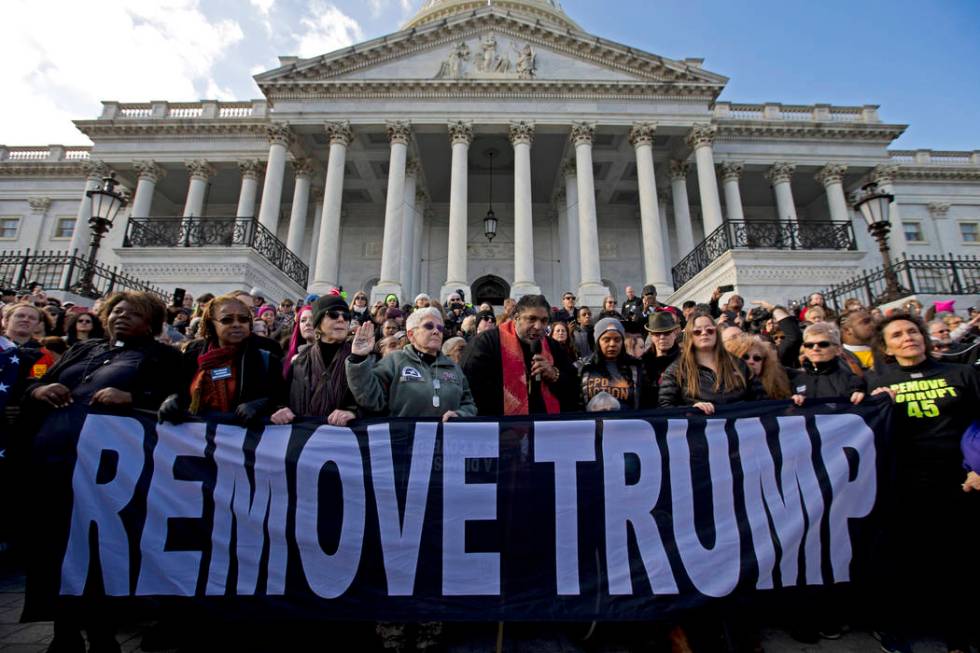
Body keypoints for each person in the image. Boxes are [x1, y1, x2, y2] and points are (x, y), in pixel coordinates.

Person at [24, 292, 182, 653]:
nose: (122, 317)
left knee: (103, 551)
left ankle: (102, 632)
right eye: (117, 311)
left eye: (133, 313)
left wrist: (135, 396)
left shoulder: (163, 357)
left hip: (113, 473)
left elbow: (177, 402)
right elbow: (31, 385)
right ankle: (63, 632)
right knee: (55, 547)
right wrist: (41, 389)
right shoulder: (83, 350)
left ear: (152, 322)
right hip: (56, 466)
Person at [865, 312, 980, 653]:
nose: (907, 338)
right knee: (922, 560)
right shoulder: (875, 382)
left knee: (965, 558)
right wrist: (875, 403)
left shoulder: (961, 373)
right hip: (908, 482)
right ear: (886, 347)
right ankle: (928, 635)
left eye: (912, 331)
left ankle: (965, 633)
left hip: (963, 478)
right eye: (897, 335)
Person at [159, 293, 285, 425]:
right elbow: (177, 389)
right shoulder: (192, 353)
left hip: (239, 440)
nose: (236, 324)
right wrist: (173, 399)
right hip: (194, 438)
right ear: (211, 323)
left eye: (243, 319)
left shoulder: (267, 360)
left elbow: (281, 400)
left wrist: (261, 405)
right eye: (227, 320)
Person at [346, 307, 476, 420]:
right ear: (411, 334)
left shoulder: (453, 367)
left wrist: (460, 415)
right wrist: (358, 358)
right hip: (405, 442)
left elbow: (468, 403)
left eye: (440, 327)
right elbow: (371, 399)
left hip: (446, 442)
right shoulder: (394, 362)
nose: (436, 331)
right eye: (429, 326)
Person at [460, 294, 578, 416]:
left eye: (544, 321)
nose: (538, 326)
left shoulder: (553, 347)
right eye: (531, 319)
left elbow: (573, 386)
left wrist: (554, 374)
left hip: (545, 427)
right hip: (499, 426)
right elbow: (470, 391)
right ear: (516, 318)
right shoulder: (485, 343)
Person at [274, 295, 359, 426]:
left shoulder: (359, 359)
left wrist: (353, 412)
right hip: (302, 436)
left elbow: (372, 403)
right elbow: (280, 397)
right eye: (333, 314)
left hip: (341, 439)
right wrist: (281, 409)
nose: (342, 319)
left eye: (346, 316)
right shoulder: (300, 359)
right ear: (318, 324)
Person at [659, 312, 762, 413]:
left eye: (709, 330)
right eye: (697, 331)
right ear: (690, 336)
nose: (704, 333)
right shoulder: (676, 369)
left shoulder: (739, 364)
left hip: (740, 425)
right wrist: (690, 409)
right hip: (701, 426)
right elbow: (665, 406)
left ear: (716, 333)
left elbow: (762, 400)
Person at [787, 322, 865, 405]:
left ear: (838, 350)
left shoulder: (851, 381)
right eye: (809, 345)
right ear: (804, 349)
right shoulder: (795, 381)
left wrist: (860, 395)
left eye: (823, 344)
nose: (815, 348)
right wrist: (792, 403)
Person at [578, 318, 646, 410]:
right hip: (593, 422)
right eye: (606, 340)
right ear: (598, 342)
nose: (612, 344)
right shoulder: (583, 367)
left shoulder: (636, 367)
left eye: (617, 340)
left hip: (627, 422)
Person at [724, 332, 792, 399]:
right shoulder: (719, 390)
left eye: (757, 358)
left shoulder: (776, 388)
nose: (751, 361)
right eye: (745, 357)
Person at [640, 311, 681, 404]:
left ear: (675, 333)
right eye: (657, 334)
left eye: (667, 333)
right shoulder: (642, 362)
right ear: (651, 335)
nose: (662, 337)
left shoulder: (686, 361)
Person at [838, 307, 876, 373]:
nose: (873, 324)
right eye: (866, 322)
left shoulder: (887, 347)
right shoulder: (840, 361)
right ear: (847, 330)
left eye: (873, 321)